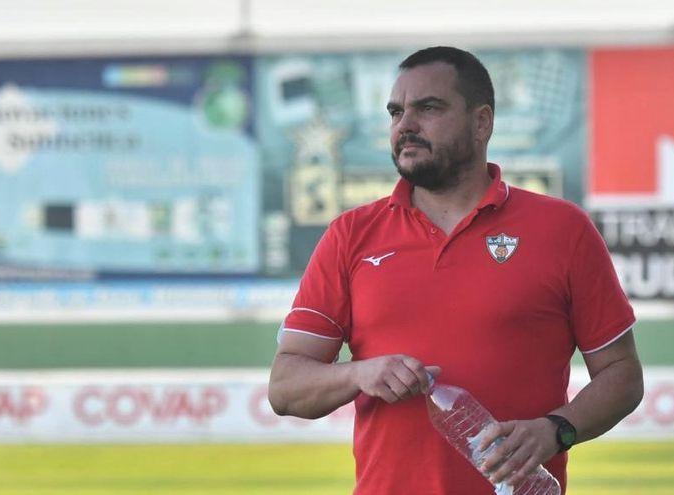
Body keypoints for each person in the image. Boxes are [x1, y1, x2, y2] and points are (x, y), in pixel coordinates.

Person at [268, 46, 644, 495]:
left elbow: (622, 375)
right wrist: (358, 373)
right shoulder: (351, 235)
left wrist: (555, 429)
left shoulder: (563, 229)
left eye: (428, 108)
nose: (405, 125)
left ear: (481, 121)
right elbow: (286, 386)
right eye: (395, 112)